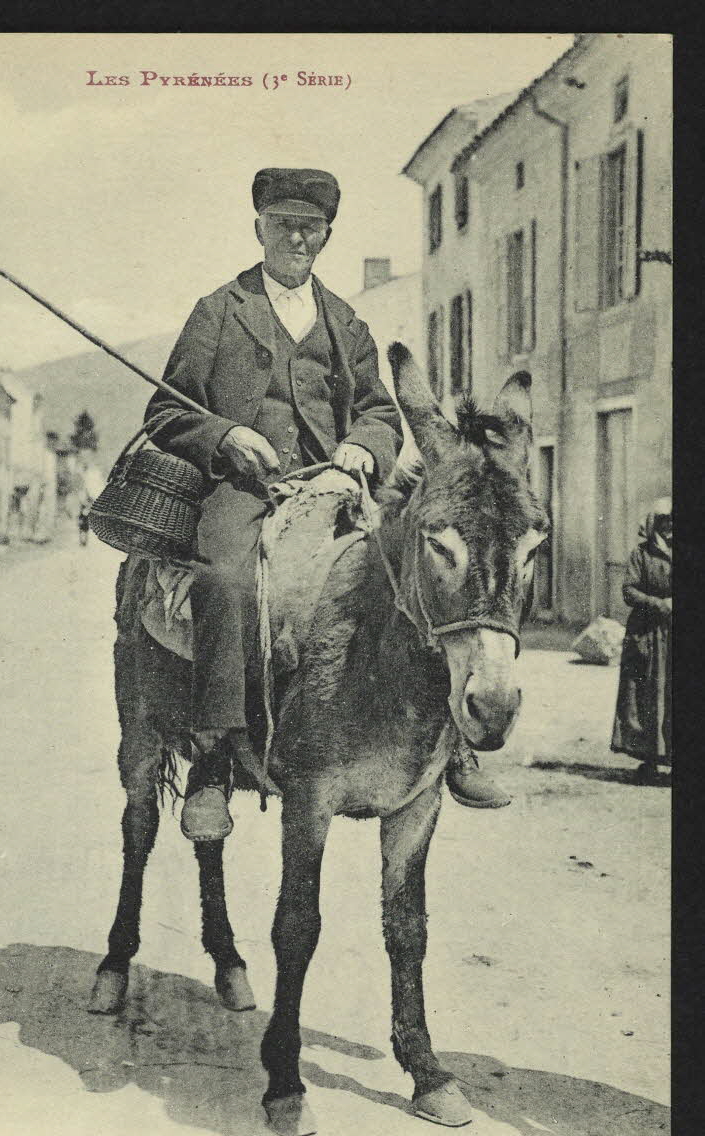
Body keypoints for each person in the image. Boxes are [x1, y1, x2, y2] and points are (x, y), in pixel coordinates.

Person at [144, 167, 509, 840]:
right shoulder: (217, 311)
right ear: (258, 227)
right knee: (225, 583)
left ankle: (452, 745)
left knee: (414, 575)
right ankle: (215, 761)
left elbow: (377, 411)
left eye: (309, 228)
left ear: (326, 235)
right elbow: (167, 411)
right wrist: (226, 435)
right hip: (245, 489)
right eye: (282, 224)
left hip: (338, 490)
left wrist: (363, 453)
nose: (295, 238)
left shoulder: (345, 322)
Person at [611, 497, 672, 783]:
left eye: (673, 522)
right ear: (655, 525)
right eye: (664, 522)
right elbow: (629, 591)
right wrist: (660, 604)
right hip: (647, 634)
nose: (670, 527)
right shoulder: (641, 554)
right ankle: (649, 760)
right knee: (646, 696)